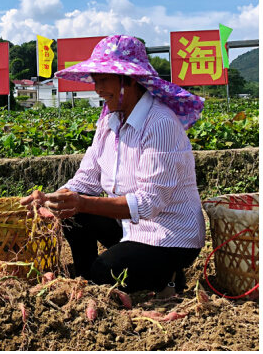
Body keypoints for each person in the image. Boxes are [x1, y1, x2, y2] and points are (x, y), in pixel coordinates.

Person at [21, 35, 206, 297]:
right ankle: (88, 283)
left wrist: (84, 203)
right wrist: (54, 199)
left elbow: (148, 203)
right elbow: (87, 178)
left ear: (130, 80)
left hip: (169, 235)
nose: (97, 89)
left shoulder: (160, 123)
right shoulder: (109, 120)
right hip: (130, 228)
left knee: (105, 271)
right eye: (96, 81)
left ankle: (168, 277)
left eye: (104, 80)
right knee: (73, 218)